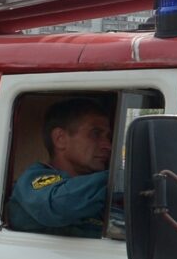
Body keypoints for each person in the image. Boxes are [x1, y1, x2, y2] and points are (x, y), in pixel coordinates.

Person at [6, 96, 113, 237]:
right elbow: (60, 205)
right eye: (96, 134)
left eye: (108, 137)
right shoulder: (34, 181)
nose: (108, 146)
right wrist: (122, 177)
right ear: (60, 139)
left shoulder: (95, 189)